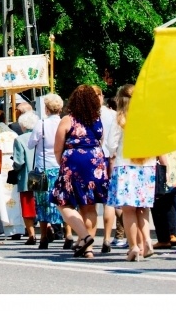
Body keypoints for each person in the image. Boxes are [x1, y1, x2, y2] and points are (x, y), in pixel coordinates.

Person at [50, 84, 109, 259]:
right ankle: (87, 249)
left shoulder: (68, 119)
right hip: (95, 162)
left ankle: (85, 236)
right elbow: (100, 140)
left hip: (73, 161)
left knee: (63, 202)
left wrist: (63, 163)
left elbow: (57, 147)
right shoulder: (98, 120)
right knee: (90, 206)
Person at [105, 83, 159, 261]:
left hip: (125, 167)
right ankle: (148, 242)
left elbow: (111, 145)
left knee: (128, 211)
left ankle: (134, 246)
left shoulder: (119, 119)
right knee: (143, 209)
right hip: (147, 166)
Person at [26, 93, 68, 249]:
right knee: (64, 201)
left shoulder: (41, 124)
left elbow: (31, 144)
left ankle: (43, 237)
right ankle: (68, 233)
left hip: (42, 168)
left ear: (47, 108)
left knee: (42, 202)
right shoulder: (64, 123)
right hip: (60, 167)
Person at [91, 85, 118, 253]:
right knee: (109, 200)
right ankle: (107, 238)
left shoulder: (85, 116)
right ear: (101, 97)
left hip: (93, 158)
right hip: (110, 158)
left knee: (91, 201)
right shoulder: (112, 115)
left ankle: (89, 238)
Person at [12, 110, 40, 244]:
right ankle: (49, 229)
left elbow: (19, 161)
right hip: (40, 174)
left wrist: (14, 169)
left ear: (23, 125)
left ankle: (31, 235)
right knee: (41, 204)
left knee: (28, 206)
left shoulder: (19, 139)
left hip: (26, 176)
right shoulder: (41, 137)